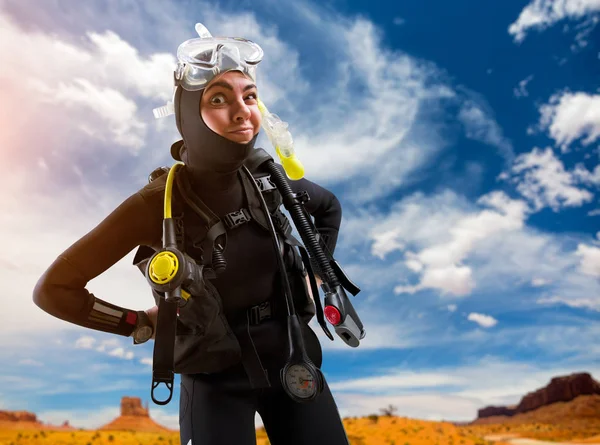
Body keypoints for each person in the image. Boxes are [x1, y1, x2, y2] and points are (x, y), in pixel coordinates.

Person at [32, 24, 351, 445]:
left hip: (291, 357)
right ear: (187, 115)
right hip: (212, 374)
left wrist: (315, 276)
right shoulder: (156, 202)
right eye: (218, 99)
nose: (242, 111)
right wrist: (136, 324)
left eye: (249, 96)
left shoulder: (268, 181)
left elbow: (327, 207)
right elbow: (54, 290)